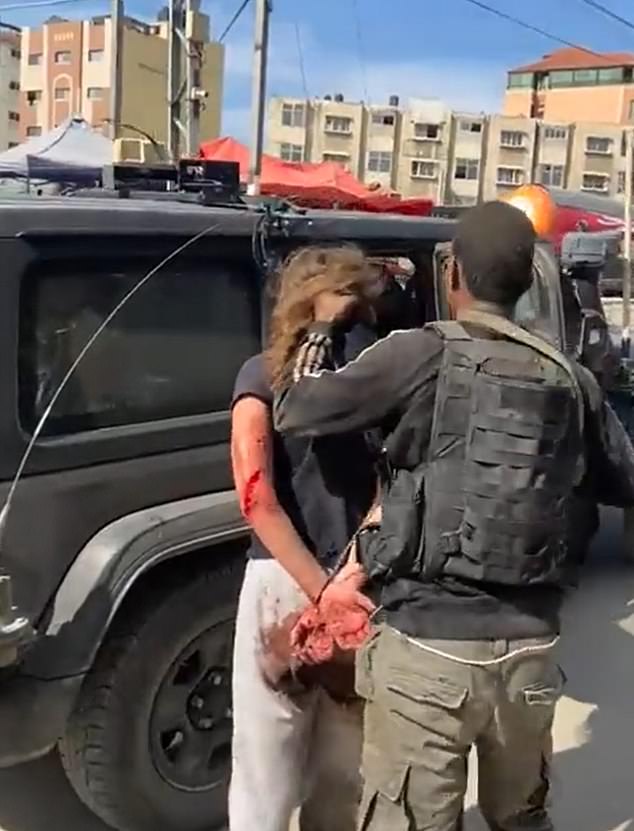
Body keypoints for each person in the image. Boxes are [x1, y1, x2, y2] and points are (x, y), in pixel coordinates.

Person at [274, 201, 634, 830]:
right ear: (526, 284)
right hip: (530, 651)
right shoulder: (573, 380)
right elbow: (624, 480)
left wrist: (320, 327)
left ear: (453, 277)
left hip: (426, 648)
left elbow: (297, 409)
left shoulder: (417, 354)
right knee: (521, 821)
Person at [228, 245, 381, 831]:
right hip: (361, 587)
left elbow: (256, 498)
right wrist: (345, 583)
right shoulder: (383, 377)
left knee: (263, 775)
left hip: (278, 585)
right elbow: (395, 489)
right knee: (346, 774)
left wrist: (317, 591)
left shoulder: (260, 373)